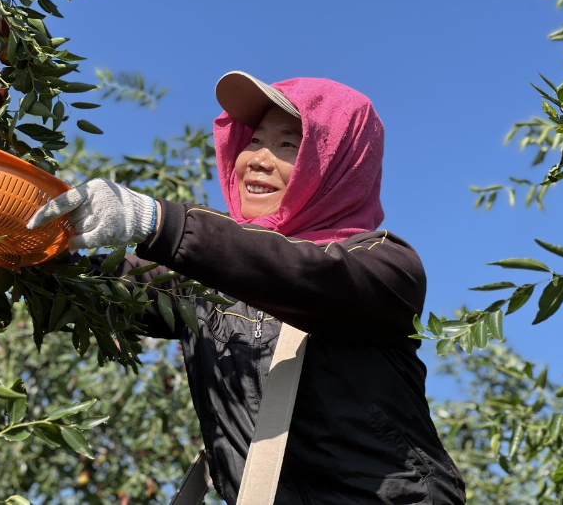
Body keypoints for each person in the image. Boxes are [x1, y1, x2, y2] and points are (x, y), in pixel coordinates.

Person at [27, 71, 467, 504]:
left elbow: (309, 277)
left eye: (288, 145)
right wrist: (20, 247)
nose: (257, 158)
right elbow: (93, 290)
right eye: (254, 141)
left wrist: (160, 223)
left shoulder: (387, 267)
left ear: (338, 163)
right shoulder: (200, 276)